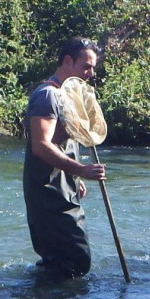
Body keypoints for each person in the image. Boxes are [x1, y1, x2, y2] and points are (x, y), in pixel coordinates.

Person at [23, 38, 106, 277]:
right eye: (86, 66)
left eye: (93, 68)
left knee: (69, 262)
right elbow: (41, 146)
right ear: (68, 61)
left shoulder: (69, 95)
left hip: (63, 188)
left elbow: (63, 143)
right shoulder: (47, 95)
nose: (90, 73)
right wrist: (81, 170)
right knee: (74, 261)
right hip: (47, 192)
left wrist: (74, 179)